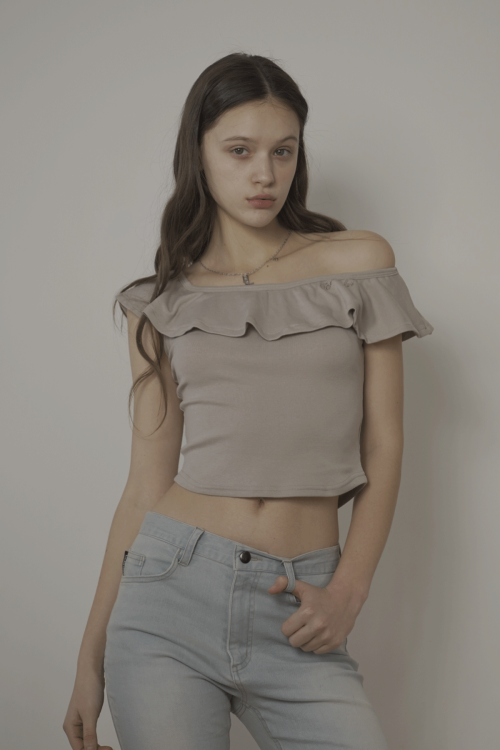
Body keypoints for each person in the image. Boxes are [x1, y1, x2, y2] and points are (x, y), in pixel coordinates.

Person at [63, 52, 434, 750]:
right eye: (239, 151)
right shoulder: (160, 303)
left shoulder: (357, 264)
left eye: (282, 151)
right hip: (168, 596)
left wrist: (349, 590)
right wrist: (90, 660)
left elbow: (385, 445)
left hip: (300, 601)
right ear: (199, 154)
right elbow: (144, 488)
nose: (264, 173)